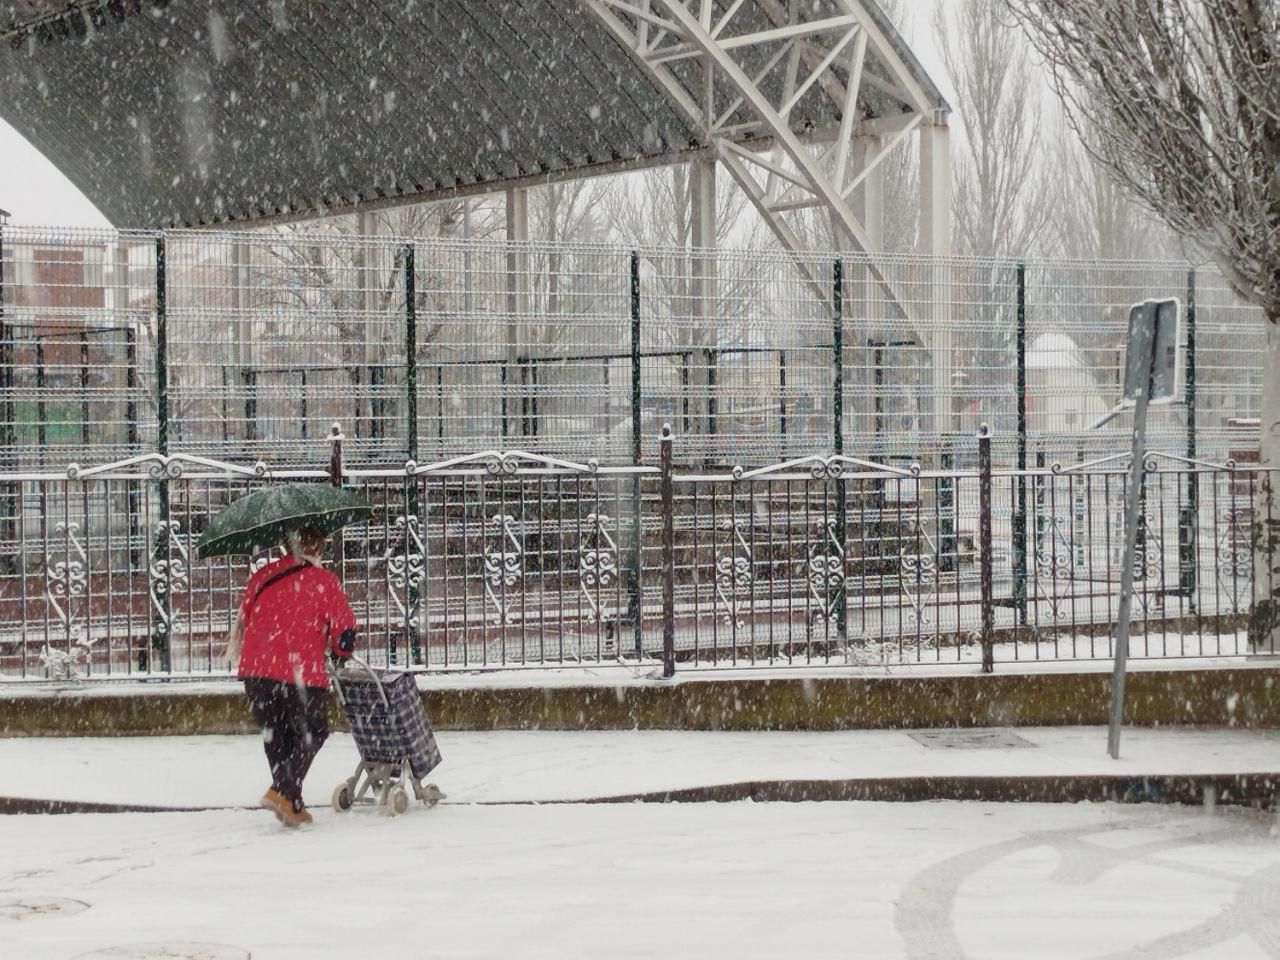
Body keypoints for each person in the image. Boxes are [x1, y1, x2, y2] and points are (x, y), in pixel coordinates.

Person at [229, 525, 357, 827]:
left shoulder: (262, 576)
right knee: (314, 731)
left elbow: (247, 616)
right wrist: (340, 653)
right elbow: (344, 630)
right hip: (298, 671)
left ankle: (292, 802)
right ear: (318, 548)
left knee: (277, 735)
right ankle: (281, 790)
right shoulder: (324, 581)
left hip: (256, 669)